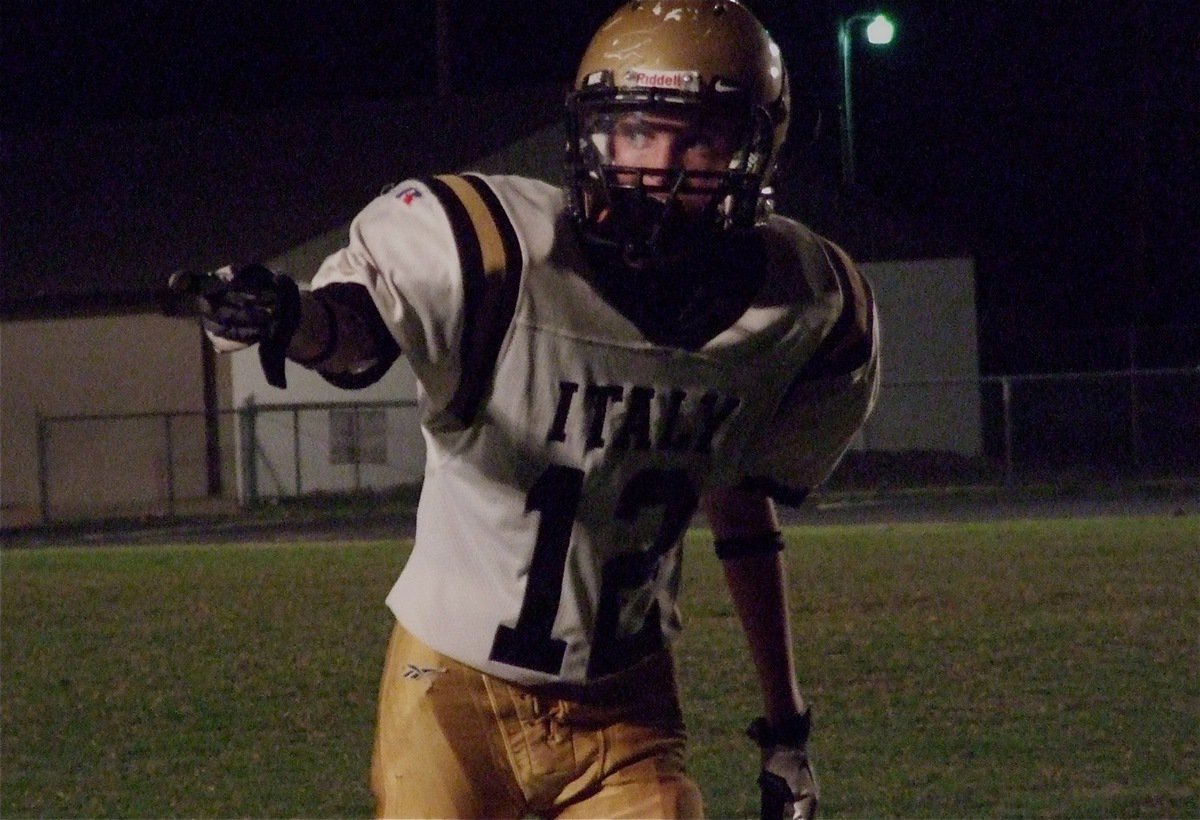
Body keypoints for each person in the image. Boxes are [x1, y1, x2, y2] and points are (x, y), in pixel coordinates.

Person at [182, 1, 879, 817]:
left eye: (700, 138)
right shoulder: (502, 249)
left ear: (755, 150)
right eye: (638, 132)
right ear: (592, 138)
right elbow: (358, 333)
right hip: (451, 691)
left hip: (628, 707)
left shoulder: (803, 304)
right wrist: (286, 316)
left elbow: (740, 500)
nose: (662, 166)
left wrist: (787, 727)